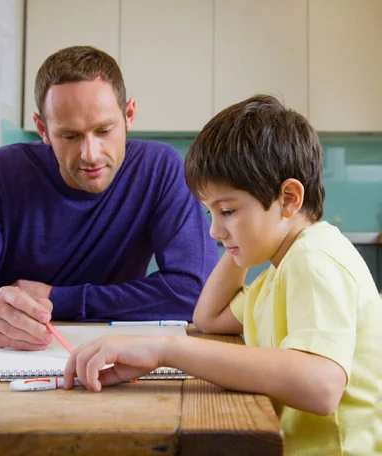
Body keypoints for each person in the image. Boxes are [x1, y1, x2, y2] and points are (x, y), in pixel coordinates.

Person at [63, 94, 382, 456]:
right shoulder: (281, 269)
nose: (214, 230)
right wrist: (242, 246)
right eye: (211, 212)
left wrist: (166, 348)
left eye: (228, 210)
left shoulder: (314, 259)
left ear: (289, 198)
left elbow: (321, 386)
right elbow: (209, 317)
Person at [0, 45, 218, 350]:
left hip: (117, 355)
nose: (90, 155)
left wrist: (57, 298)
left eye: (104, 130)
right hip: (13, 357)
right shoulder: (0, 173)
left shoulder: (159, 168)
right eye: (70, 136)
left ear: (129, 114)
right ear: (42, 129)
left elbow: (197, 293)